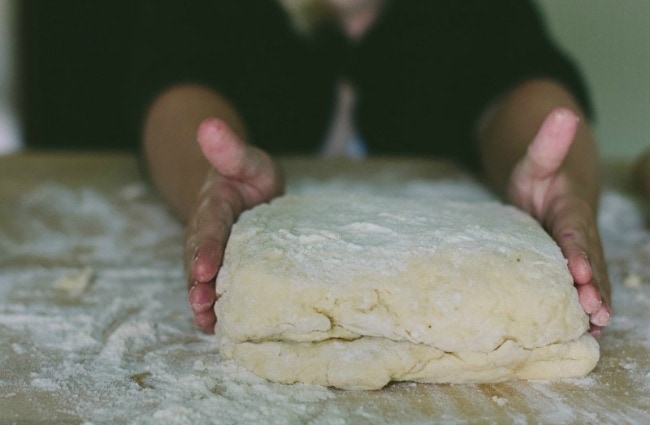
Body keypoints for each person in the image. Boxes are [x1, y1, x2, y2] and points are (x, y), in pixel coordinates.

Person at [136, 0, 611, 335]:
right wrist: (207, 177)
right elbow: (177, 87)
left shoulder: (473, 12)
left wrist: (559, 172)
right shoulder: (214, 11)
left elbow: (522, 83)